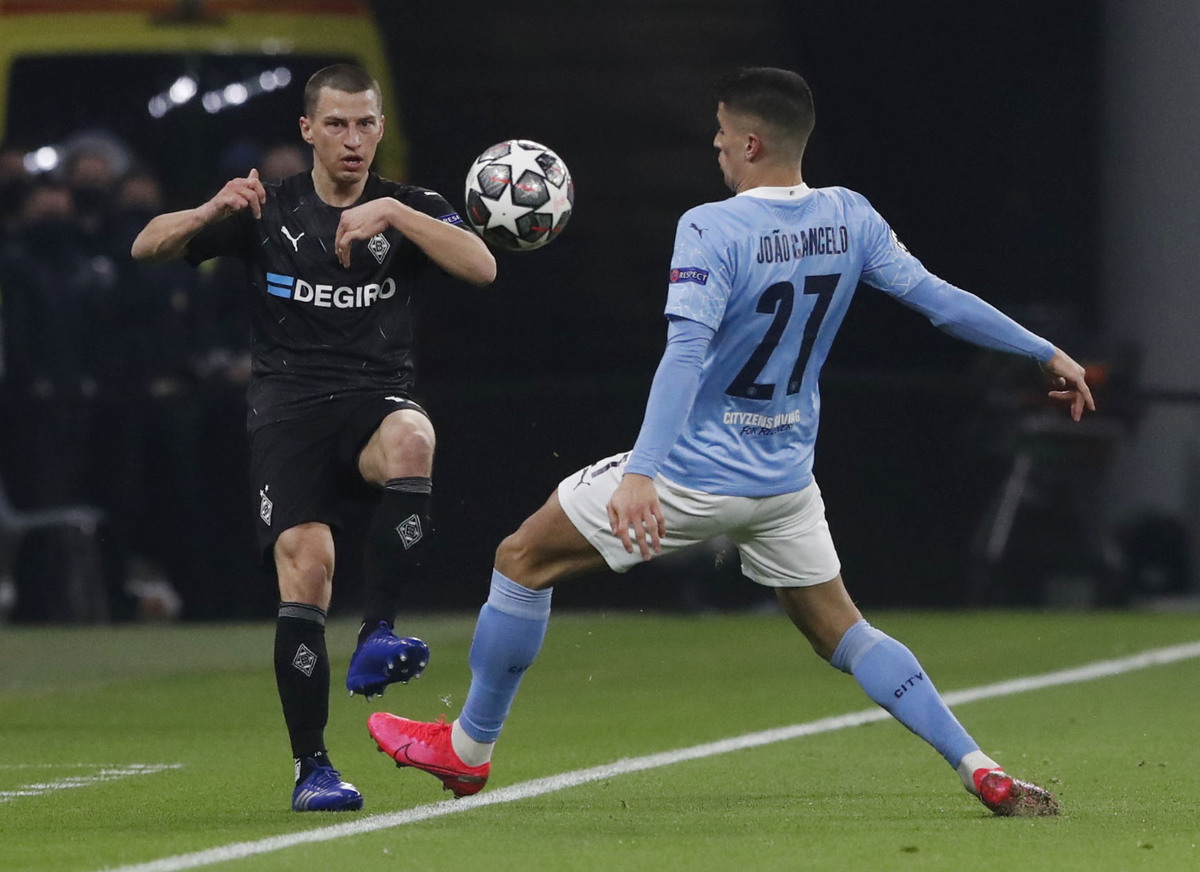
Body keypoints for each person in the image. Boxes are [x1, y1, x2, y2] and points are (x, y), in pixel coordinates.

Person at [367, 67, 1093, 817]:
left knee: (521, 559)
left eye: (721, 131)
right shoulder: (850, 216)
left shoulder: (710, 227)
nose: (714, 143)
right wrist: (1043, 350)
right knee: (843, 629)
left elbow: (685, 354)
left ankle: (468, 751)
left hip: (693, 472)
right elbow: (939, 300)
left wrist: (642, 472)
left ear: (751, 143)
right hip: (784, 483)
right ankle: (979, 765)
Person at [131, 64, 496, 811]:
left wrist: (394, 215)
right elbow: (146, 246)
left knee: (413, 438)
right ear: (307, 130)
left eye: (364, 124)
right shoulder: (267, 208)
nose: (352, 139)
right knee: (308, 567)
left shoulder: (409, 206)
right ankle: (313, 768)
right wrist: (209, 210)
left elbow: (482, 267)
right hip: (288, 410)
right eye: (336, 124)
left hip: (372, 397)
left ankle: (378, 632)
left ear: (381, 129)